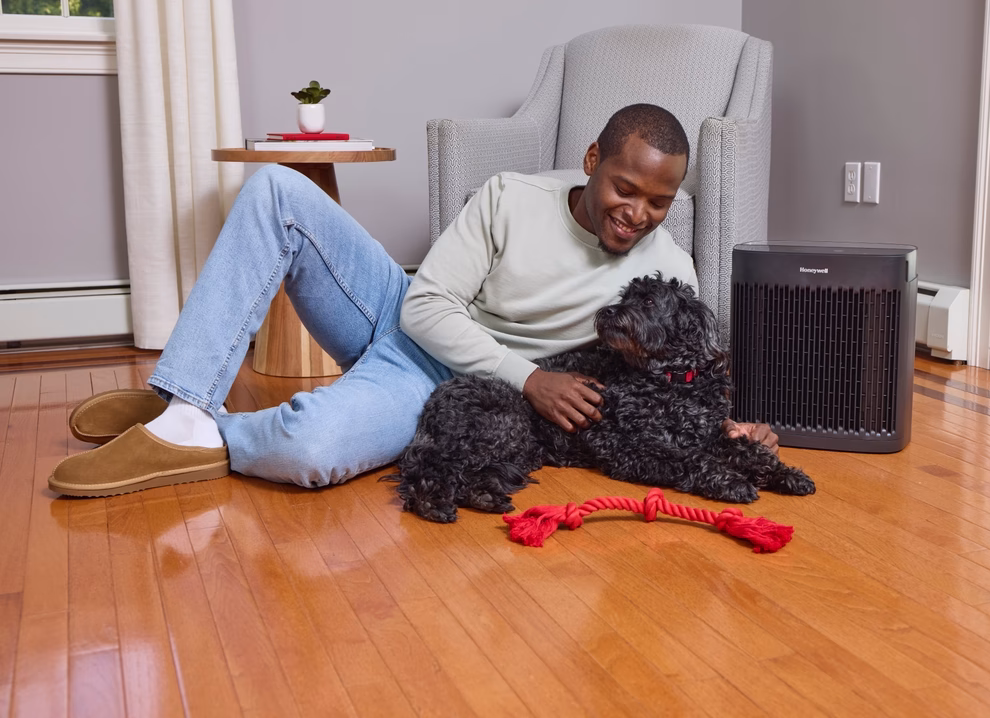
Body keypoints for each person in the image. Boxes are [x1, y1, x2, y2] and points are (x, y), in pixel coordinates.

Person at [49, 103, 777, 497]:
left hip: (462, 393)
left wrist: (728, 429)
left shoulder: (668, 266)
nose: (638, 213)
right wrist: (530, 376)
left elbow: (677, 372)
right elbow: (424, 308)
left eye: (659, 201)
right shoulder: (510, 197)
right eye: (625, 188)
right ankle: (182, 402)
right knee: (276, 189)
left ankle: (200, 428)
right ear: (593, 161)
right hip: (413, 322)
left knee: (310, 451)